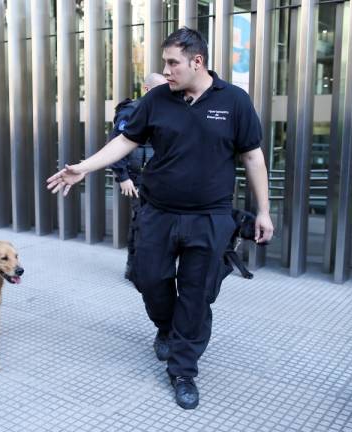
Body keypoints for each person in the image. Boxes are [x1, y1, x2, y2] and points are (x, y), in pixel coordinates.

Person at [47, 28, 273, 410]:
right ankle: (167, 327)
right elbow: (125, 141)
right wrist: (84, 167)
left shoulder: (234, 101)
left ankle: (183, 369)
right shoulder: (157, 99)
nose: (165, 70)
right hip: (158, 213)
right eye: (165, 62)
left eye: (172, 63)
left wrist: (264, 211)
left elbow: (253, 157)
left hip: (209, 217)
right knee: (148, 277)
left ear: (196, 61)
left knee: (197, 293)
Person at [108, 72, 167, 280]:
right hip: (137, 179)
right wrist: (123, 177)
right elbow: (116, 144)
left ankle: (149, 267)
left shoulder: (165, 109)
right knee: (142, 223)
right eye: (160, 88)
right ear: (147, 89)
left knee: (154, 223)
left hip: (159, 178)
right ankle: (134, 269)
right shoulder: (132, 110)